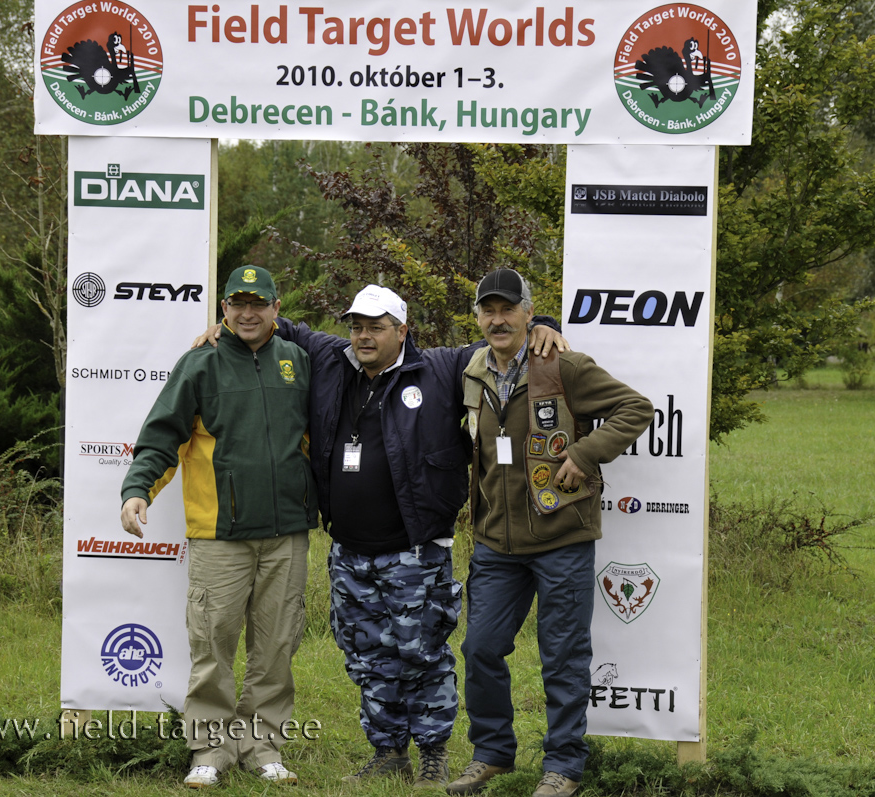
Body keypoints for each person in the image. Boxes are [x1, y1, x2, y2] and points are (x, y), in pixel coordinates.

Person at [192, 283, 566, 788]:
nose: (363, 336)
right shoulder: (332, 360)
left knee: (422, 654)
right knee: (367, 657)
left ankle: (432, 754)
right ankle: (388, 751)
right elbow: (280, 324)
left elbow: (501, 340)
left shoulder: (440, 368)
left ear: (402, 330)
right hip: (350, 550)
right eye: (357, 326)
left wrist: (544, 327)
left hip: (416, 548)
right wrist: (226, 326)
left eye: (376, 327)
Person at [451, 269, 653, 797]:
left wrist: (584, 455)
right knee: (480, 648)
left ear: (527, 312)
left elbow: (636, 408)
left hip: (561, 537)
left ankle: (563, 766)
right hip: (496, 542)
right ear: (478, 317)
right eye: (488, 310)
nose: (498, 320)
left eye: (508, 309)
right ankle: (492, 754)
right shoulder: (472, 370)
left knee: (562, 657)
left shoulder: (564, 366)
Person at [119, 266, 316, 789]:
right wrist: (138, 489)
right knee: (212, 646)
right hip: (218, 534)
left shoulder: (298, 361)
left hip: (287, 531)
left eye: (258, 303)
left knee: (277, 647)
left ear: (276, 309)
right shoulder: (200, 363)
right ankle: (209, 748)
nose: (247, 313)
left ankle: (262, 746)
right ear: (223, 309)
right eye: (237, 303)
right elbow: (162, 436)